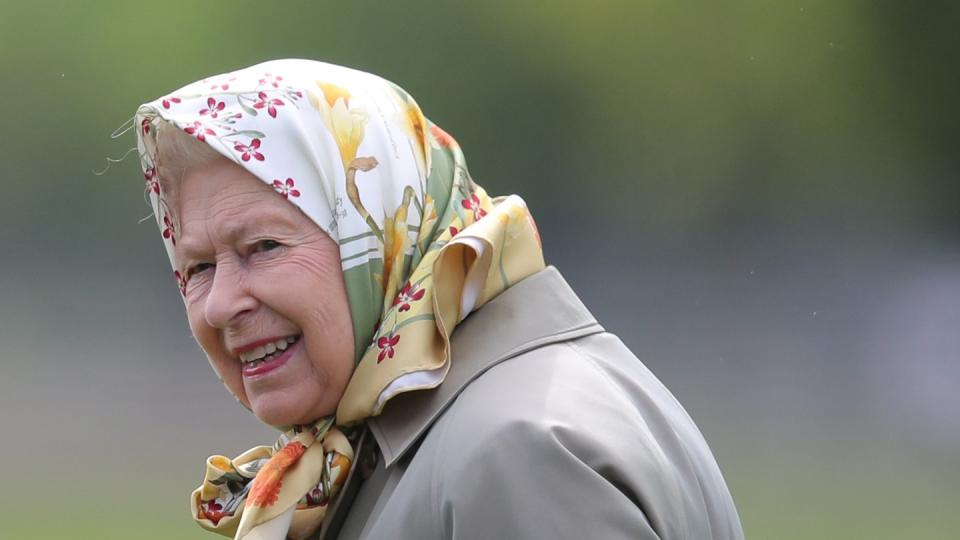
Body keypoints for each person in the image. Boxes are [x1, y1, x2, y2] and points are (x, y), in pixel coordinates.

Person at [132, 58, 744, 540]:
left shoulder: (515, 453)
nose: (219, 305)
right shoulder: (426, 438)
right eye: (199, 267)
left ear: (381, 236)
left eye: (263, 246)